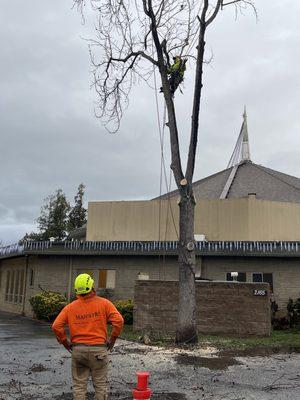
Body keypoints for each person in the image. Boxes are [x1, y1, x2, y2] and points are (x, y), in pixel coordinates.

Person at [52, 273, 124, 400]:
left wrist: (65, 342)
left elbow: (56, 326)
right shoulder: (104, 304)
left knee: (79, 386)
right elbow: (119, 321)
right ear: (92, 287)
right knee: (100, 385)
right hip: (99, 352)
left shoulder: (70, 308)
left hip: (78, 351)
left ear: (76, 290)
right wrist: (112, 340)